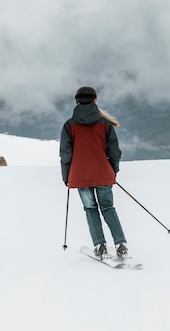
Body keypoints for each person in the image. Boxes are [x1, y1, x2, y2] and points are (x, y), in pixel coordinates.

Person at [59, 86, 129, 260]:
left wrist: (66, 176)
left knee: (90, 209)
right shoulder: (105, 124)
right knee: (108, 208)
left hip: (80, 176)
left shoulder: (69, 126)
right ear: (95, 100)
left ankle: (100, 246)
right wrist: (112, 171)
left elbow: (65, 155)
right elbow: (115, 152)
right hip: (103, 173)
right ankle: (121, 245)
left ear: (76, 101)